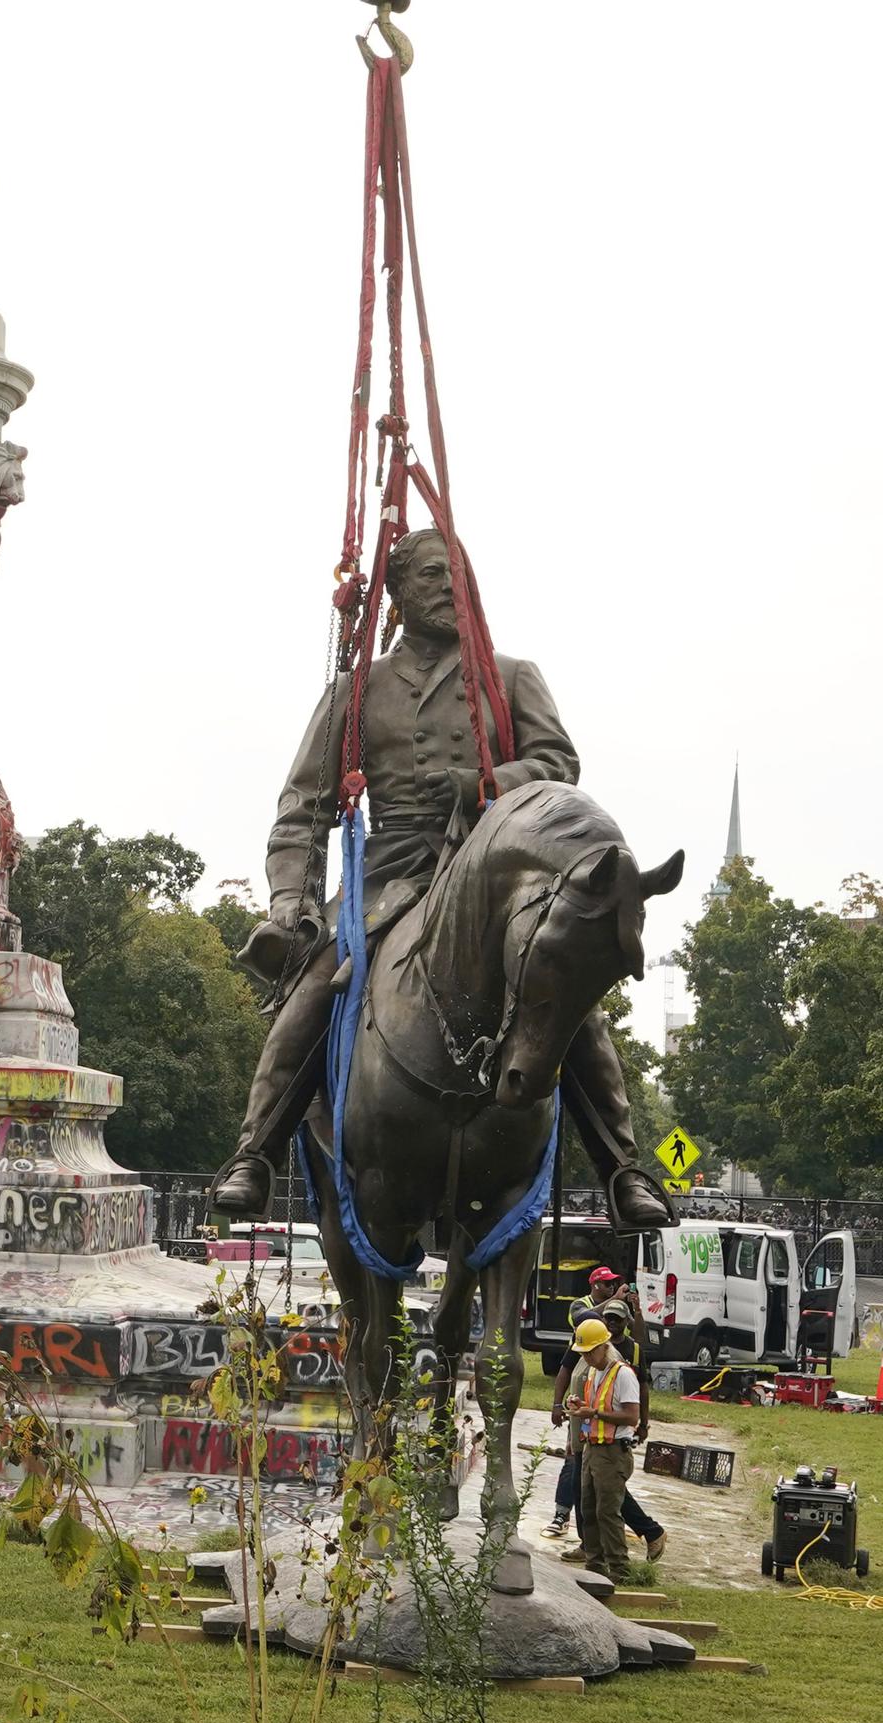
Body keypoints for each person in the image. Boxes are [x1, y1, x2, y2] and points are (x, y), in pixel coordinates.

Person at [211, 531, 673, 1233]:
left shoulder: (510, 676)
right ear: (397, 590)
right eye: (431, 573)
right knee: (315, 985)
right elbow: (303, 811)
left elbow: (556, 763)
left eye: (458, 573)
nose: (449, 586)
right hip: (391, 874)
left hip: (490, 871)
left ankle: (625, 1166)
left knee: (566, 993)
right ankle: (256, 1151)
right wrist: (291, 902)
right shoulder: (354, 691)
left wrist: (482, 784)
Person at [544, 1276, 665, 1558]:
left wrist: (643, 1424)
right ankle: (591, 1548)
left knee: (608, 1497)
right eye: (608, 1318)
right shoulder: (588, 1343)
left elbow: (638, 1398)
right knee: (588, 1492)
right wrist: (563, 1408)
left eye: (617, 1319)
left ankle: (640, 1538)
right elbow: (569, 1374)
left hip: (609, 1438)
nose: (612, 1322)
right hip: (587, 1432)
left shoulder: (624, 1357)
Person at [564, 1314, 646, 1582]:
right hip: (592, 1448)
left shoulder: (623, 1374)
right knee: (588, 1508)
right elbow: (594, 1407)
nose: (586, 1358)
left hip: (613, 1452)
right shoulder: (593, 1372)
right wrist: (580, 1406)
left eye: (589, 1352)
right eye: (583, 1353)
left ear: (603, 1346)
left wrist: (595, 1412)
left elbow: (632, 1417)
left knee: (607, 1512)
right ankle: (595, 1567)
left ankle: (620, 1571)